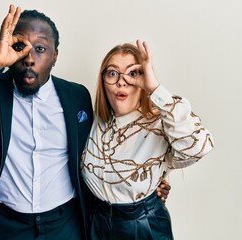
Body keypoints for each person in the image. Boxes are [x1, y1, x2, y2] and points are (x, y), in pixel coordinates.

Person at [0, 5, 171, 240]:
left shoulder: (77, 97)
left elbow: (102, 149)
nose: (29, 58)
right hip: (8, 226)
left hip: (67, 224)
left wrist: (146, 187)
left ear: (55, 56)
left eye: (40, 49)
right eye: (20, 46)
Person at [81, 40, 214, 239]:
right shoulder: (93, 121)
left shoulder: (161, 123)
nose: (121, 81)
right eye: (112, 73)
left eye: (133, 73)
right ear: (103, 80)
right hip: (96, 226)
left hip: (143, 228)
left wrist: (154, 88)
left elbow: (199, 146)